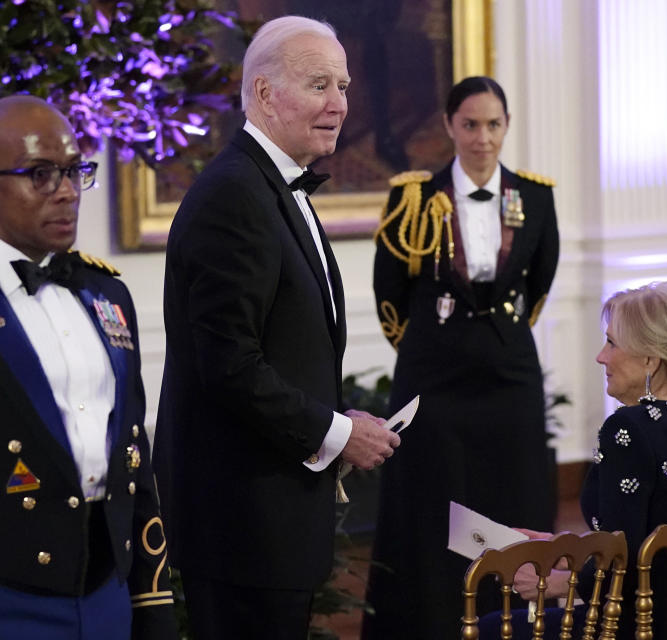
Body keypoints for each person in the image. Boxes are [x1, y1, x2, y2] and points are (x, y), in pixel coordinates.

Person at [152, 17, 400, 640]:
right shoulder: (235, 194)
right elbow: (229, 365)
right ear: (264, 94)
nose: (340, 103)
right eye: (320, 85)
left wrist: (340, 421)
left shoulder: (273, 186)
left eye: (343, 86)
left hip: (270, 516)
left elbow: (286, 350)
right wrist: (336, 432)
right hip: (242, 520)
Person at [364, 75, 560, 639]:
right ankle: (430, 624)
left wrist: (492, 341)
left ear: (507, 127)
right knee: (431, 506)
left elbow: (537, 286)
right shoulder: (413, 197)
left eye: (493, 125)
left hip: (509, 377)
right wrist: (435, 347)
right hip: (435, 377)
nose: (482, 138)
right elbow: (390, 295)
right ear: (450, 126)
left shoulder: (536, 195)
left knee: (514, 497)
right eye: (470, 124)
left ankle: (514, 624)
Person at [0, 95, 176, 639]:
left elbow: (133, 459)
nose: (68, 191)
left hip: (108, 591)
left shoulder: (107, 294)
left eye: (75, 170)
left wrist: (153, 603)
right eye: (40, 173)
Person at [478, 280, 667, 640]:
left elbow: (623, 559)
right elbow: (650, 532)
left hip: (648, 622)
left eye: (612, 343)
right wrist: (563, 547)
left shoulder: (628, 429)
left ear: (650, 359)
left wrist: (553, 584)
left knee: (491, 629)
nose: (601, 356)